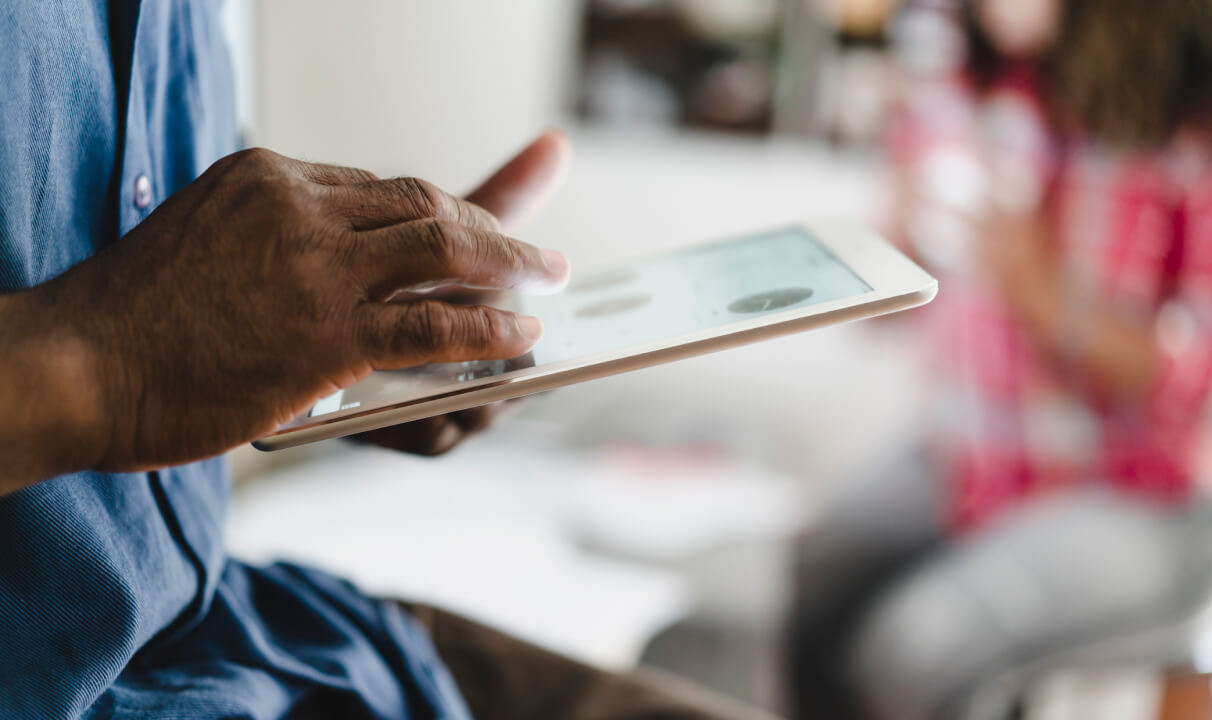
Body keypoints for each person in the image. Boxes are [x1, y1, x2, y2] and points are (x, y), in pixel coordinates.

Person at [0, 2, 778, 719]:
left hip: (256, 636)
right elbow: (131, 331)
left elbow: (165, 274)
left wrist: (345, 345)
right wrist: (99, 364)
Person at [789, 1, 1212, 718]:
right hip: (974, 457)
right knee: (815, 569)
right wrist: (891, 255)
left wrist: (1045, 297)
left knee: (913, 650)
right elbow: (890, 321)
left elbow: (1211, 384)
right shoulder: (967, 89)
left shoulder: (1198, 121)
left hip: (1147, 497)